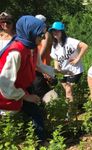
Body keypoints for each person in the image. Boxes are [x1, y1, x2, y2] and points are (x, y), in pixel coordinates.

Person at [0, 15, 57, 143]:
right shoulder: (16, 53)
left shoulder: (31, 47)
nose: (43, 38)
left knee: (36, 112)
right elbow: (4, 84)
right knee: (6, 120)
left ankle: (41, 141)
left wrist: (57, 71)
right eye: (40, 34)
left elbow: (38, 65)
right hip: (6, 93)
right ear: (30, 33)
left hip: (21, 88)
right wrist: (26, 96)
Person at [49, 21, 88, 104]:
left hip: (75, 70)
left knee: (68, 91)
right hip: (63, 72)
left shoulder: (69, 41)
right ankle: (75, 105)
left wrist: (77, 59)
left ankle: (69, 114)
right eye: (53, 31)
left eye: (57, 30)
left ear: (62, 32)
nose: (55, 33)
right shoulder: (54, 45)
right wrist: (57, 71)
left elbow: (85, 46)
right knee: (68, 91)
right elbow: (56, 60)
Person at [28, 14, 58, 104]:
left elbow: (43, 48)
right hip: (38, 62)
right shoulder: (37, 32)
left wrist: (35, 60)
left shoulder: (46, 34)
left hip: (41, 62)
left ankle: (44, 104)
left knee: (41, 85)